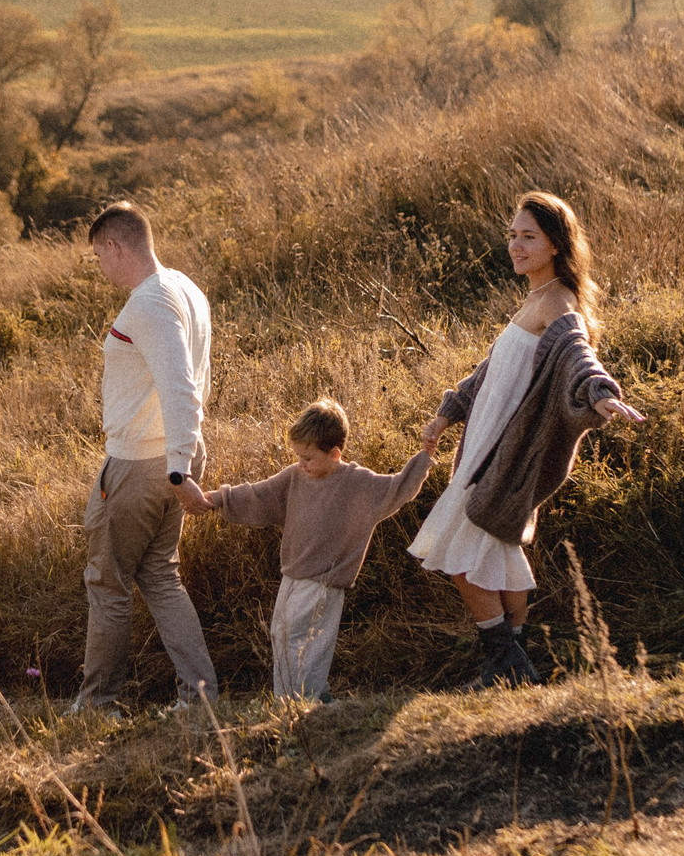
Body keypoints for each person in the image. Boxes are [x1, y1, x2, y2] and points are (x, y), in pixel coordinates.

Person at [411, 190, 645, 688]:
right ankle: (512, 666)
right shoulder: (535, 297)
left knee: (460, 555)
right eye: (512, 235)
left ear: (556, 245)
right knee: (492, 554)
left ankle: (506, 661)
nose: (516, 245)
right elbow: (493, 371)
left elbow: (578, 353)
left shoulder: (559, 302)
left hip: (505, 456)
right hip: (484, 450)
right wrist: (448, 412)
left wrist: (600, 393)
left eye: (528, 237)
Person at [178, 398, 430, 702]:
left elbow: (396, 489)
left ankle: (311, 699)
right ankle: (289, 701)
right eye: (298, 455)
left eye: (308, 458)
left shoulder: (356, 483)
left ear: (335, 454)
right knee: (281, 635)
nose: (301, 463)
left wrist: (425, 457)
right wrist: (219, 498)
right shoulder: (295, 478)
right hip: (293, 576)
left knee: (311, 642)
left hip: (326, 581)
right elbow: (260, 494)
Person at [74, 200, 220, 715]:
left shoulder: (150, 303)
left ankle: (98, 704)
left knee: (108, 581)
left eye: (98, 255)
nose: (99, 266)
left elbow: (181, 387)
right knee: (159, 574)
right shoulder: (184, 288)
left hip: (142, 463)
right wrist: (186, 458)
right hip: (171, 457)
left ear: (115, 245)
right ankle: (200, 697)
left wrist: (180, 467)